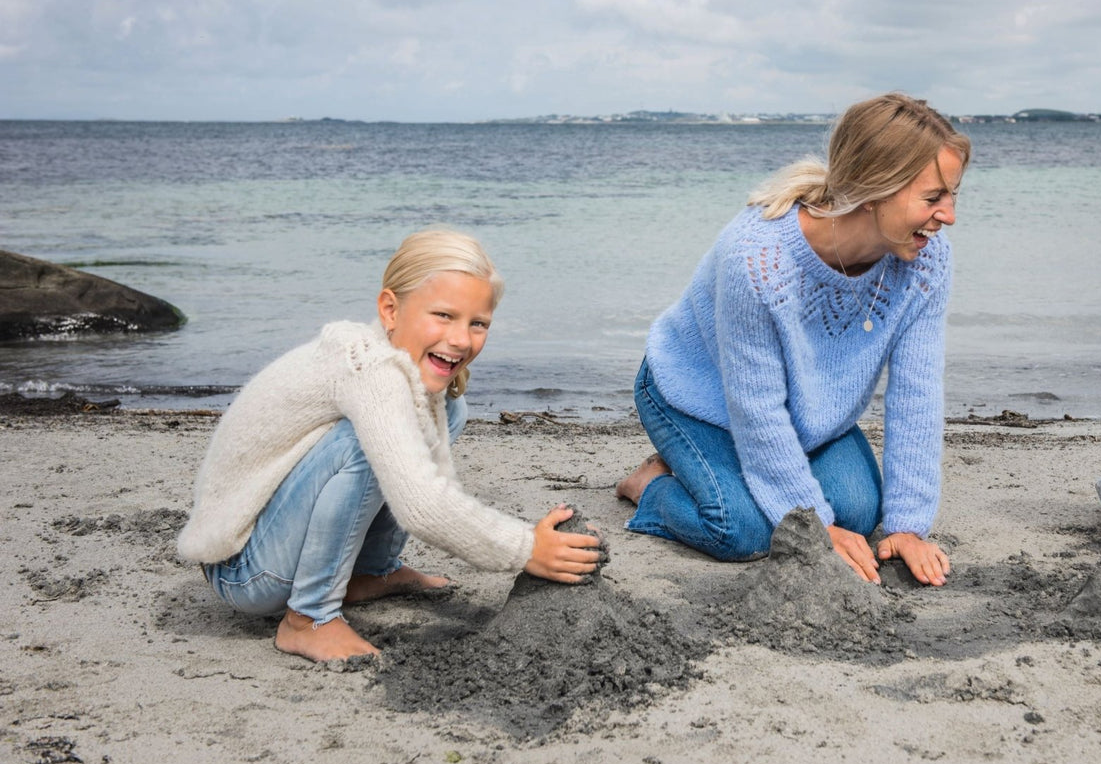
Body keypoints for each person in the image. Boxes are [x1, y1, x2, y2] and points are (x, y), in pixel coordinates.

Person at [177, 229, 601, 662]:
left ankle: (370, 570)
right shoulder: (371, 369)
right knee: (362, 443)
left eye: (478, 323)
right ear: (390, 309)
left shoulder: (403, 367)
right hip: (243, 568)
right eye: (443, 315)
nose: (460, 339)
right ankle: (308, 618)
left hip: (277, 533)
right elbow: (423, 504)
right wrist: (525, 548)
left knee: (452, 410)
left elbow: (435, 484)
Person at [615, 92, 969, 586]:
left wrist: (908, 526)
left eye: (953, 195)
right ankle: (650, 486)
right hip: (695, 397)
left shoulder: (926, 258)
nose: (948, 215)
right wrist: (818, 528)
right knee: (744, 531)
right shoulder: (757, 260)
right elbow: (756, 408)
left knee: (860, 516)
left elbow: (918, 393)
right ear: (875, 189)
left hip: (808, 414)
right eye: (933, 198)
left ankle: (736, 481)